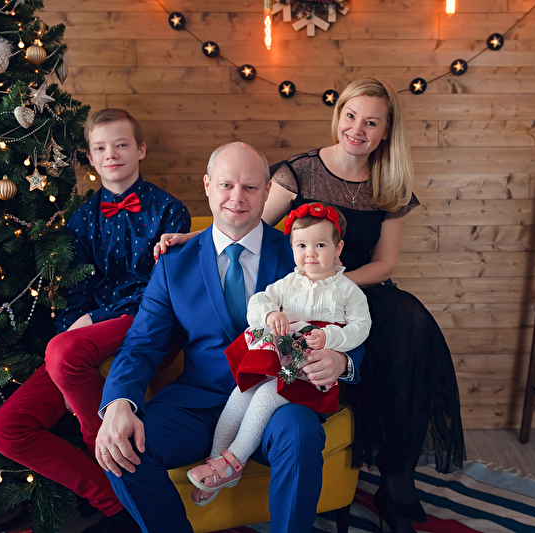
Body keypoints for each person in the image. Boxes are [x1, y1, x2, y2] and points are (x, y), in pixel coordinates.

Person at [155, 77, 466, 533]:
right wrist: (193, 239)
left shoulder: (390, 182)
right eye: (351, 116)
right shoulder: (301, 171)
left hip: (355, 287)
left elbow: (384, 263)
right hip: (299, 290)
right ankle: (232, 455)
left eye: (372, 122)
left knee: (410, 321)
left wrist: (334, 287)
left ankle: (397, 478)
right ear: (338, 115)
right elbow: (243, 221)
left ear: (385, 132)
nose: (357, 129)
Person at [95, 142, 364, 533]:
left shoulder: (301, 252)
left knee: (301, 433)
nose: (237, 197)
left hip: (279, 397)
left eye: (250, 187)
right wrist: (119, 402)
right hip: (197, 402)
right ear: (207, 186)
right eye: (226, 185)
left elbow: (347, 319)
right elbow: (142, 344)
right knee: (120, 448)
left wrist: (342, 361)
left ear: (268, 190)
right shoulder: (174, 263)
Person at [0, 108, 190, 533]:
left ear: (141, 150)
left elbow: (161, 289)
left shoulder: (170, 211)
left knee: (65, 351)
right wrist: (72, 339)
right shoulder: (80, 219)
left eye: (121, 144)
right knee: (5, 430)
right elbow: (74, 288)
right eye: (100, 148)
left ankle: (113, 463)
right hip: (85, 338)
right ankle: (115, 503)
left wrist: (91, 321)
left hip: (149, 323)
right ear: (91, 159)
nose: (111, 154)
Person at [186, 202, 371, 506]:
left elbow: (361, 327)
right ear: (292, 247)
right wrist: (270, 313)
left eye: (320, 245)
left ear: (338, 248)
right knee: (241, 392)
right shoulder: (289, 283)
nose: (310, 253)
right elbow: (259, 301)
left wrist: (330, 336)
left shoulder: (348, 290)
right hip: (282, 360)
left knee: (265, 395)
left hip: (310, 372)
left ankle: (233, 463)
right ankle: (216, 462)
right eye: (301, 245)